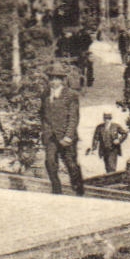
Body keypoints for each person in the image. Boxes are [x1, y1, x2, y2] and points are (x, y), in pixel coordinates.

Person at [40, 65, 84, 196]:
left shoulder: (70, 95)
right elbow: (42, 114)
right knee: (50, 162)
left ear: (62, 80)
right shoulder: (45, 95)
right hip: (50, 136)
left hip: (66, 136)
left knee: (71, 164)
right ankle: (56, 190)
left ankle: (78, 188)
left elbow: (74, 117)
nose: (53, 81)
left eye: (56, 79)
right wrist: (44, 130)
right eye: (51, 79)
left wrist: (69, 136)